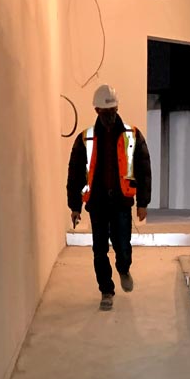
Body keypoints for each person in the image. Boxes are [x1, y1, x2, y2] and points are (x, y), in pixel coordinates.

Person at [66, 84, 152, 311]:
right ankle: (106, 290)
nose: (110, 115)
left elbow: (144, 170)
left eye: (113, 110)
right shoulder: (85, 139)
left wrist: (143, 203)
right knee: (99, 249)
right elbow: (75, 174)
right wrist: (75, 206)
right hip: (97, 203)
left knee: (122, 245)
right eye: (105, 111)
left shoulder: (132, 135)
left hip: (121, 202)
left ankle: (123, 269)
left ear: (117, 108)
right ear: (96, 111)